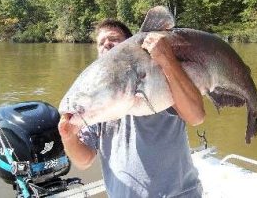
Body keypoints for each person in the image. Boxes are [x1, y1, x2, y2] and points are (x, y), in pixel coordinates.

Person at [58, 18, 205, 197]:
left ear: (132, 45)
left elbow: (196, 116)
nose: (106, 44)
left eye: (113, 39)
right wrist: (68, 137)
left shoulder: (159, 74)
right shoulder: (94, 102)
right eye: (101, 43)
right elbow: (84, 160)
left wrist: (167, 60)